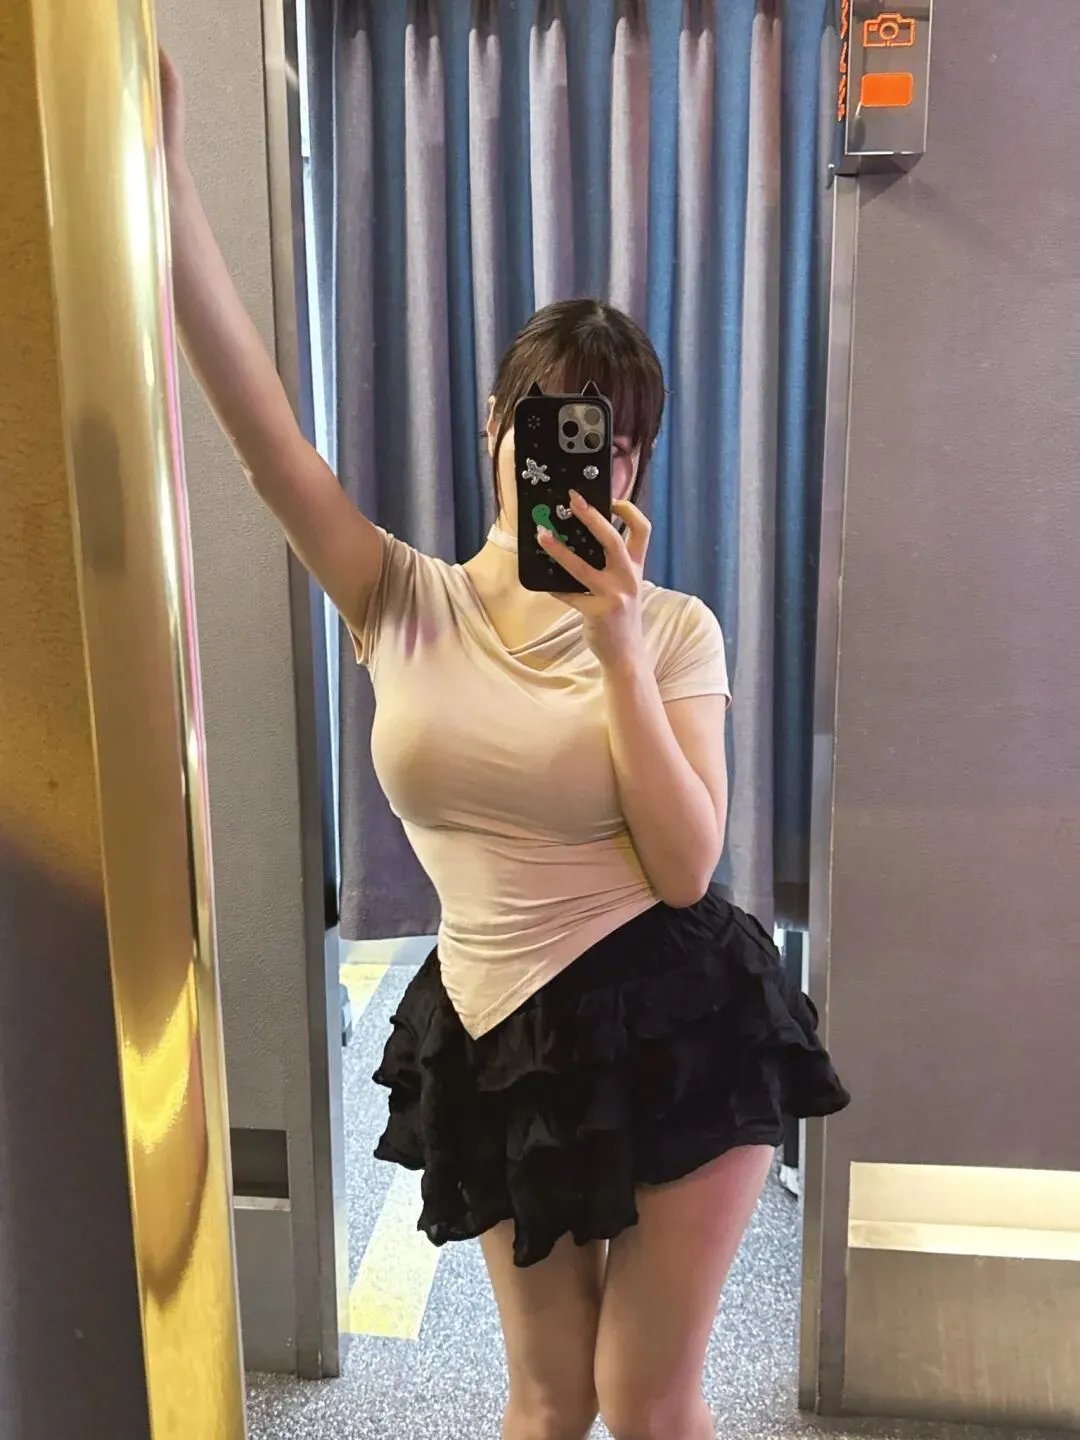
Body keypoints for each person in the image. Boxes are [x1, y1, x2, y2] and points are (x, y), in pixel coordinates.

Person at [161, 51, 848, 1440]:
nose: (596, 463)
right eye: (557, 427)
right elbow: (265, 438)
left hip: (677, 1018)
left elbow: (686, 868)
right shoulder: (395, 597)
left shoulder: (673, 630)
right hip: (495, 1025)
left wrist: (615, 642)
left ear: (638, 461)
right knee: (544, 1394)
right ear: (497, 429)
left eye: (622, 443)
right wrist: (161, 173)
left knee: (643, 1398)